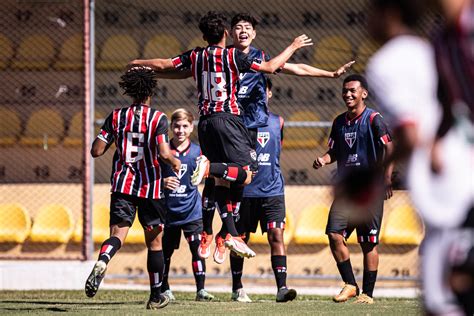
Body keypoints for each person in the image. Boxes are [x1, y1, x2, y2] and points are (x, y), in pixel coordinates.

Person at [129, 11, 313, 260]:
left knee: (222, 182)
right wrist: (293, 45)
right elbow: (270, 67)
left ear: (204, 36)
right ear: (226, 33)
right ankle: (208, 167)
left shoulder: (196, 55)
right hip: (229, 120)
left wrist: (137, 63)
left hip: (205, 123)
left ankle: (230, 233)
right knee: (246, 174)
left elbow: (165, 65)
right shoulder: (233, 55)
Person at [198, 12, 355, 265]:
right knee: (219, 180)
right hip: (229, 126)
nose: (243, 31)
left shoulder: (259, 58)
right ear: (230, 33)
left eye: (247, 27)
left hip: (251, 129)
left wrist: (330, 75)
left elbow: (296, 68)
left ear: (254, 33)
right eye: (238, 27)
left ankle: (223, 232)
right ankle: (212, 231)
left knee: (234, 181)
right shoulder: (221, 58)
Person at [366, 0, 473, 313]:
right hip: (456, 183)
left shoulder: (387, 62)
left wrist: (370, 174)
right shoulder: (437, 44)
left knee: (445, 298)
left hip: (450, 192)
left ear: (388, 13)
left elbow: (410, 134)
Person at [85, 66, 181, 310]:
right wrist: (174, 160)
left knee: (117, 236)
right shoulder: (158, 118)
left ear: (129, 90)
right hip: (151, 187)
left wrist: (111, 137)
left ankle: (104, 260)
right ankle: (156, 295)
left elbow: (96, 151)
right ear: (150, 90)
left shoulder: (116, 116)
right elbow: (162, 152)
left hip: (122, 185)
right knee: (155, 243)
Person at [312, 74, 394, 304]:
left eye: (352, 90)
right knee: (333, 233)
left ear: (363, 94)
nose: (347, 94)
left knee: (368, 243)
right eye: (345, 91)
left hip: (370, 190)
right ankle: (350, 284)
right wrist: (324, 159)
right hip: (347, 191)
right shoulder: (338, 122)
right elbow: (335, 151)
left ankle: (367, 294)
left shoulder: (374, 119)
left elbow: (390, 147)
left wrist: (387, 178)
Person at [227, 78, 296, 303]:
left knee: (276, 235)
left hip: (272, 191)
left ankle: (282, 288)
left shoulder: (279, 121)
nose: (258, 95)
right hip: (244, 192)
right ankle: (237, 287)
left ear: (269, 94)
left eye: (262, 91)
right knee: (240, 240)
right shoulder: (238, 122)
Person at [160, 108, 214, 302]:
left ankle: (201, 290)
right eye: (176, 126)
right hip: (168, 212)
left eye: (184, 126)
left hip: (192, 211)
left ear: (191, 127)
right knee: (165, 253)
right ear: (171, 127)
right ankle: (164, 288)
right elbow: (150, 174)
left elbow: (209, 177)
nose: (180, 130)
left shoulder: (199, 152)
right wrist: (162, 182)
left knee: (197, 250)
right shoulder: (163, 150)